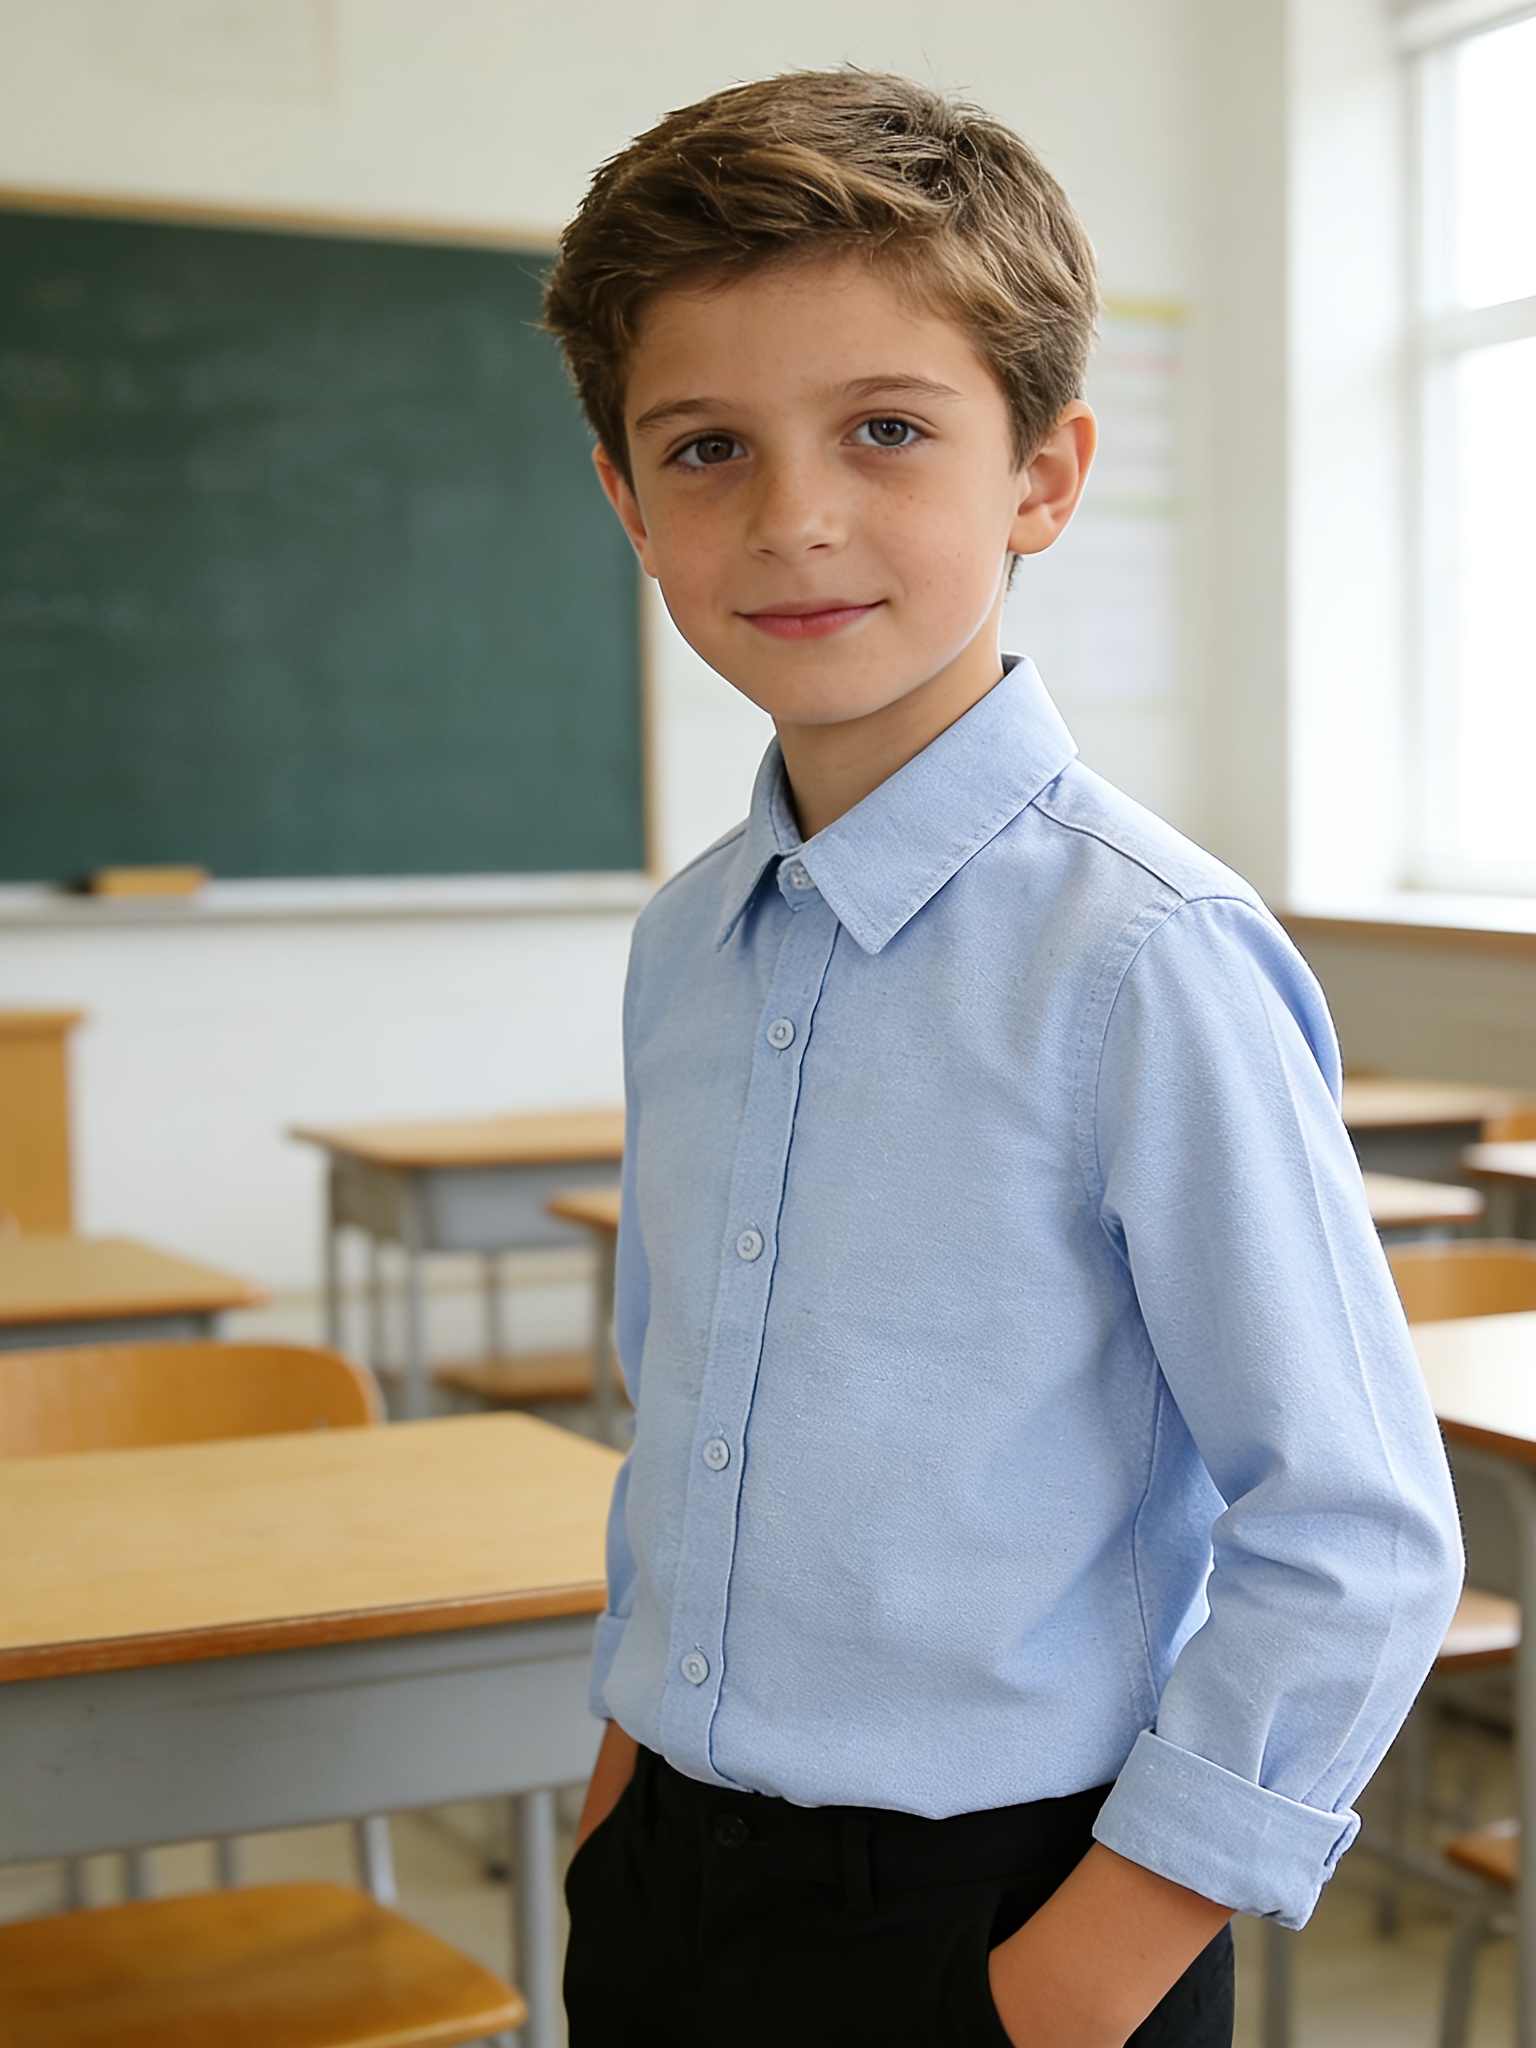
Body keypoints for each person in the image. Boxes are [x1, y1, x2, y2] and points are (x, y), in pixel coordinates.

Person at [542, 69, 1463, 2048]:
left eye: (887, 429)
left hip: (1005, 1914)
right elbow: (681, 1401)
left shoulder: (1146, 955)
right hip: (673, 1867)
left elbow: (1358, 1528)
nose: (793, 515)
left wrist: (1077, 1979)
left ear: (1043, 477)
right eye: (706, 446)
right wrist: (627, 1771)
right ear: (624, 495)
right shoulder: (686, 941)